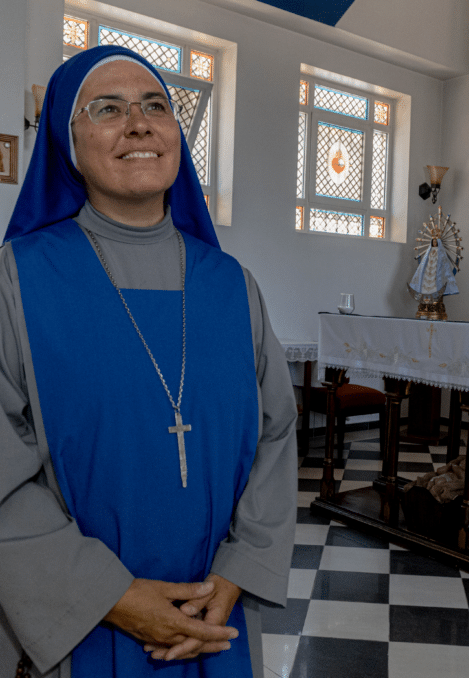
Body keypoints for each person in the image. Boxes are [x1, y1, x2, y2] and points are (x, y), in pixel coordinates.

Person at [0, 45, 297, 677]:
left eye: (156, 106)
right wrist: (109, 595)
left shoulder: (232, 286)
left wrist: (237, 571)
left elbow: (276, 435)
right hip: (74, 619)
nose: (139, 123)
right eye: (107, 108)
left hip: (215, 616)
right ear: (67, 142)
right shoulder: (17, 282)